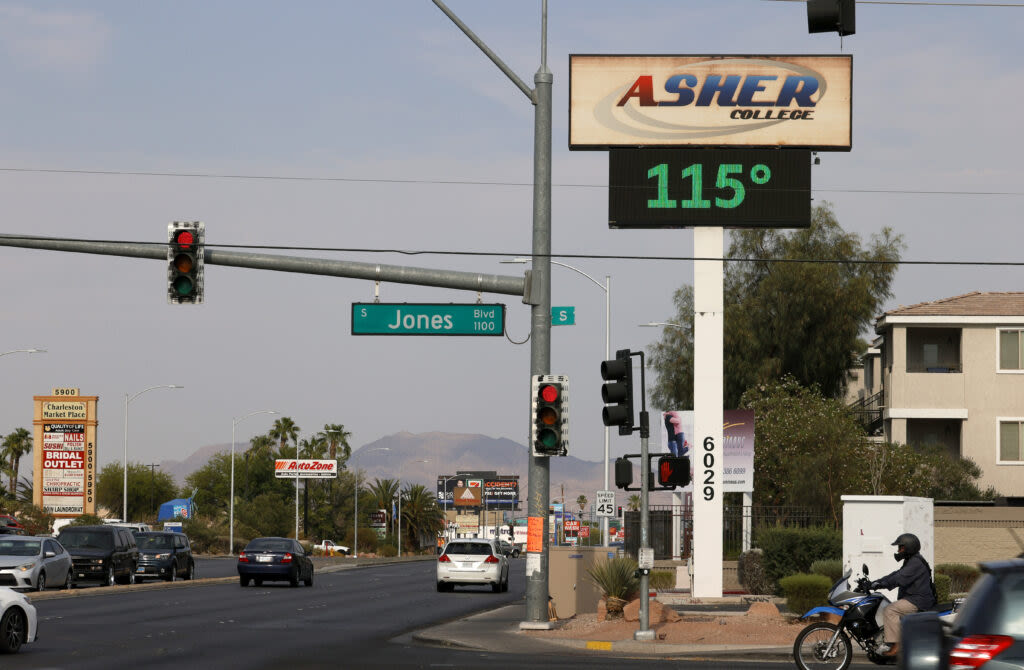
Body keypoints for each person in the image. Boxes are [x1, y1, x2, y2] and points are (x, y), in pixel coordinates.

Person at [870, 532, 936, 658]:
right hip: (914, 598)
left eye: (901, 547)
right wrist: (876, 582)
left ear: (909, 547)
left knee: (890, 610)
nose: (899, 550)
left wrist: (880, 585)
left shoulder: (915, 563)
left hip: (918, 600)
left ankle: (896, 645)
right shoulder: (911, 560)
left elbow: (899, 579)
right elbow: (895, 574)